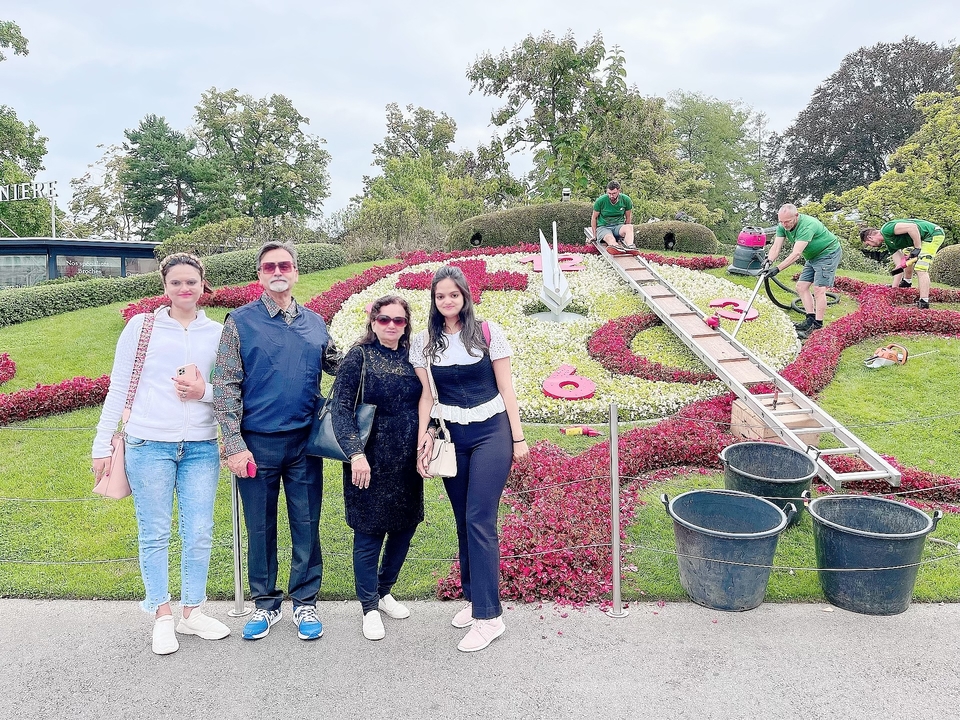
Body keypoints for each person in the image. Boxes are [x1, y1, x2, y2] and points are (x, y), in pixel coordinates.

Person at [92, 253, 230, 655]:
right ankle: (162, 615)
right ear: (164, 287)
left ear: (204, 284)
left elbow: (226, 391)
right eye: (176, 283)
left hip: (202, 445)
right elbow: (119, 387)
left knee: (200, 530)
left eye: (192, 282)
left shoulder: (217, 333)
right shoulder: (143, 326)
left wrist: (202, 392)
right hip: (148, 442)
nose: (185, 290)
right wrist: (102, 444)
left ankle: (192, 611)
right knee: (154, 531)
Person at [212, 241, 339, 642]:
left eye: (285, 265)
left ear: (296, 272)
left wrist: (391, 349)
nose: (278, 271)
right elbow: (226, 386)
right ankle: (265, 605)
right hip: (256, 445)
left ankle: (305, 603)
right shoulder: (240, 322)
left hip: (305, 444)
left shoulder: (316, 323)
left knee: (306, 523)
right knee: (260, 527)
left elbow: (343, 365)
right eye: (269, 266)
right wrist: (233, 444)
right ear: (260, 275)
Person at [411, 265, 529, 653]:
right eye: (440, 295)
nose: (447, 301)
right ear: (434, 299)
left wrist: (518, 438)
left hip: (491, 432)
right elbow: (428, 396)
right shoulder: (424, 342)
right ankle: (473, 597)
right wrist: (421, 441)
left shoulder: (487, 333)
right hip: (452, 435)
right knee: (463, 518)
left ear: (465, 296)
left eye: (453, 294)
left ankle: (489, 616)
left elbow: (506, 389)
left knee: (480, 517)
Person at [330, 295, 425, 641]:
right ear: (372, 322)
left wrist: (425, 440)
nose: (390, 326)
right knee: (369, 534)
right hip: (367, 462)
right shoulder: (359, 356)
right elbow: (340, 408)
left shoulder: (413, 355)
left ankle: (384, 591)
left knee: (404, 528)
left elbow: (429, 400)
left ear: (406, 325)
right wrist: (355, 453)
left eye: (398, 320)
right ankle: (369, 606)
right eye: (383, 319)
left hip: (406, 462)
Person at [762, 204, 843, 339]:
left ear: (796, 216)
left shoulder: (807, 226)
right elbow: (776, 247)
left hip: (828, 253)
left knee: (819, 289)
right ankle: (809, 320)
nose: (784, 224)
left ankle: (817, 325)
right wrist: (768, 261)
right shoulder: (782, 226)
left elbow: (796, 254)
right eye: (781, 221)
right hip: (812, 256)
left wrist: (777, 269)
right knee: (801, 286)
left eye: (787, 221)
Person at [860, 219, 946, 309]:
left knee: (920, 268)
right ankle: (906, 282)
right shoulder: (890, 244)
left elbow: (912, 227)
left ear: (870, 238)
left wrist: (917, 248)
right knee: (906, 255)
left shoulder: (886, 229)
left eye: (868, 244)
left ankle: (924, 301)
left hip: (932, 234)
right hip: (920, 239)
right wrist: (894, 288)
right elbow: (900, 266)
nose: (870, 246)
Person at [590, 181, 636, 252]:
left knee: (629, 227)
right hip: (604, 227)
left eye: (614, 193)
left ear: (618, 191)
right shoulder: (600, 201)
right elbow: (594, 218)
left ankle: (630, 246)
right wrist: (594, 235)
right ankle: (615, 247)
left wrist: (625, 234)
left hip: (618, 226)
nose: (611, 196)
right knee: (610, 238)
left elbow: (628, 217)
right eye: (609, 193)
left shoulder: (626, 200)